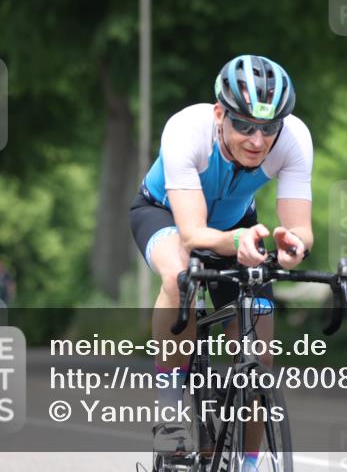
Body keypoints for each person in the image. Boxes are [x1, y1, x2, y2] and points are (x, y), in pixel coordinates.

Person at [129, 55, 312, 468]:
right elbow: (193, 235)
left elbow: (302, 229)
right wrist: (238, 241)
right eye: (244, 125)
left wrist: (292, 245)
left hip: (236, 225)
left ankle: (247, 461)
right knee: (180, 277)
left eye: (268, 128)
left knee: (259, 356)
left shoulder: (296, 139)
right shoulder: (186, 129)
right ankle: (170, 413)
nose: (257, 139)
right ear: (219, 114)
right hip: (166, 215)